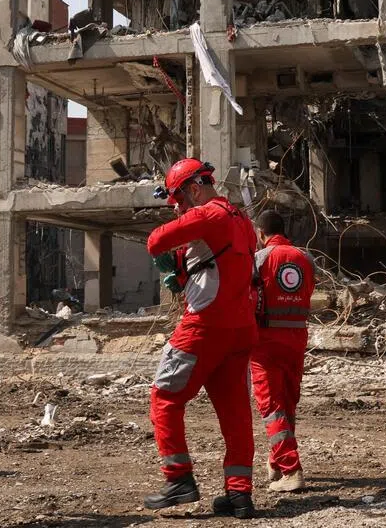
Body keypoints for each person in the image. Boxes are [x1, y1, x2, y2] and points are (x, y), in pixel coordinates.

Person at [144, 158, 259, 519]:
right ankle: (239, 494)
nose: (178, 208)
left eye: (178, 200)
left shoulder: (207, 215)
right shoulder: (243, 221)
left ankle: (178, 479)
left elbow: (154, 241)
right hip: (241, 329)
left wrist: (172, 254)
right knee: (235, 411)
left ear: (195, 188)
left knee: (164, 398)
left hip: (204, 326)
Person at [250, 209, 315, 493]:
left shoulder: (260, 259)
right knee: (287, 403)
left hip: (266, 340)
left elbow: (249, 297)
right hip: (297, 336)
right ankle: (277, 461)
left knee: (271, 407)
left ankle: (291, 469)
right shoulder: (306, 258)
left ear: (261, 233)